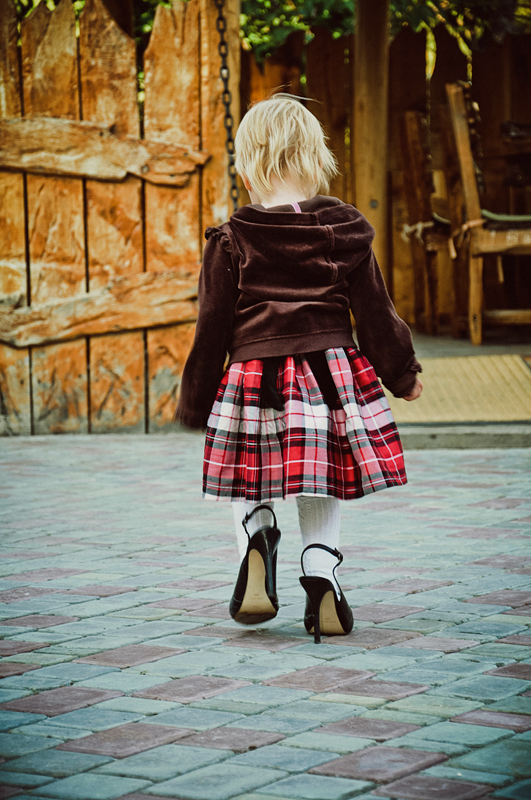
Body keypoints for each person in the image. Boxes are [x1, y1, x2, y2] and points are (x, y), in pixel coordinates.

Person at [175, 94, 423, 644]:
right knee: (321, 473)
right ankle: (321, 567)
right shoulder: (345, 230)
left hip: (253, 374)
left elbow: (211, 327)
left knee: (248, 470)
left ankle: (257, 535)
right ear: (317, 161)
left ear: (247, 169)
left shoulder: (231, 239)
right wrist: (401, 372)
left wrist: (195, 401)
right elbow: (376, 312)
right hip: (329, 372)